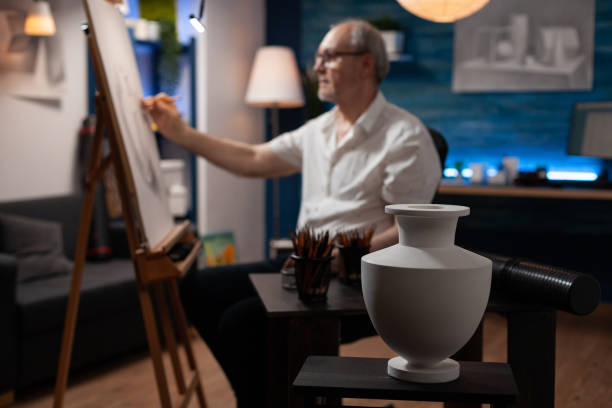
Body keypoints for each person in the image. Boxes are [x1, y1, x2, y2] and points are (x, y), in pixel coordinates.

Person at [142, 20, 442, 407]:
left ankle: (266, 399)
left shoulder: (405, 137)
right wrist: (180, 133)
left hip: (363, 282)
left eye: (329, 57)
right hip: (306, 268)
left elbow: (409, 233)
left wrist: (336, 260)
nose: (316, 66)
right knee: (197, 288)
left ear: (366, 64)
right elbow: (253, 159)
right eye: (317, 57)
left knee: (242, 322)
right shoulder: (317, 130)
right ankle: (270, 397)